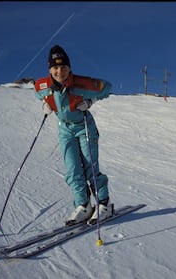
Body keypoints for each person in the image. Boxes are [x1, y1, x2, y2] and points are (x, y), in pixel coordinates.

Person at [34, 45, 113, 225]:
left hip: (84, 126)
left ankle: (104, 205)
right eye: (55, 67)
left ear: (69, 68)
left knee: (89, 165)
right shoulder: (42, 85)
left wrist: (91, 100)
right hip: (65, 129)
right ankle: (83, 205)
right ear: (49, 69)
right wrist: (45, 104)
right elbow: (39, 93)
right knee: (72, 168)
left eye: (63, 67)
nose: (59, 71)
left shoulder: (81, 83)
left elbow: (107, 87)